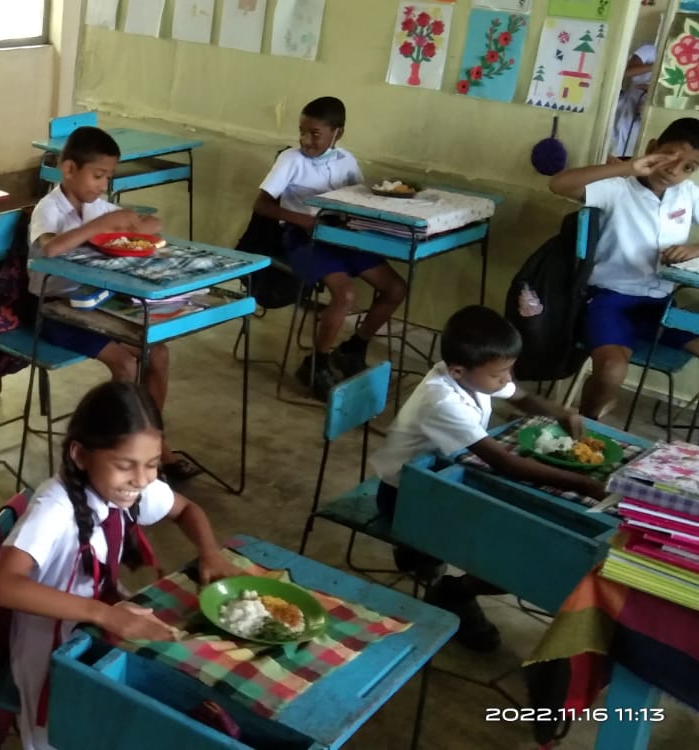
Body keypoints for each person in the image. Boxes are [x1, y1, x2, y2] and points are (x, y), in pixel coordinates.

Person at [0, 382, 239, 750]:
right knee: (59, 735)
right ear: (80, 455)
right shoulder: (55, 508)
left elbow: (185, 509)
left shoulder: (131, 487)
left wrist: (210, 552)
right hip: (49, 650)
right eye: (125, 465)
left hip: (99, 624)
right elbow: (2, 584)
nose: (142, 479)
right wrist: (103, 614)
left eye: (152, 464)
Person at [369, 305, 606, 652]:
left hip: (437, 479)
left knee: (527, 532)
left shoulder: (474, 373)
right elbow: (504, 463)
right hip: (405, 497)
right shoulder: (441, 400)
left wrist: (562, 413)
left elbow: (521, 396)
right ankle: (452, 590)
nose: (507, 380)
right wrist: (585, 484)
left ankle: (434, 570)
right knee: (518, 547)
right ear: (458, 370)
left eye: (509, 370)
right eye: (500, 374)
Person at [29, 125, 194, 480]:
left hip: (96, 304)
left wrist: (134, 223)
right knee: (126, 365)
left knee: (158, 353)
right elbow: (51, 248)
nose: (103, 185)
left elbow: (151, 223)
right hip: (55, 310)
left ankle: (153, 442)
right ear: (69, 169)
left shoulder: (96, 206)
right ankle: (119, 452)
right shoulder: (48, 209)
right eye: (98, 176)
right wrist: (103, 224)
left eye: (108, 177)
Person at [253, 96, 406, 400]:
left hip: (342, 235)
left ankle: (353, 348)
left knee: (395, 288)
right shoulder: (291, 160)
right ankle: (317, 363)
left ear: (338, 133)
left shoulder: (346, 160)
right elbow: (262, 205)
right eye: (302, 131)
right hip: (302, 237)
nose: (305, 140)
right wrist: (303, 220)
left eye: (315, 134)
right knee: (344, 295)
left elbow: (359, 197)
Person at [548, 118, 699, 420]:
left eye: (688, 167)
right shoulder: (618, 189)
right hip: (610, 300)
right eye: (669, 156)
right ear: (652, 147)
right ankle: (586, 423)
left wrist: (695, 248)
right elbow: (558, 184)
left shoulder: (687, 193)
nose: (674, 170)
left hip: (660, 306)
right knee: (611, 370)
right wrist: (629, 167)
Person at [608, 43, 657, 161]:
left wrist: (654, 89)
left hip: (651, 108)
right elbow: (627, 72)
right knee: (618, 142)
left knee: (637, 147)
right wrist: (659, 65)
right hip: (631, 103)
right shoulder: (650, 50)